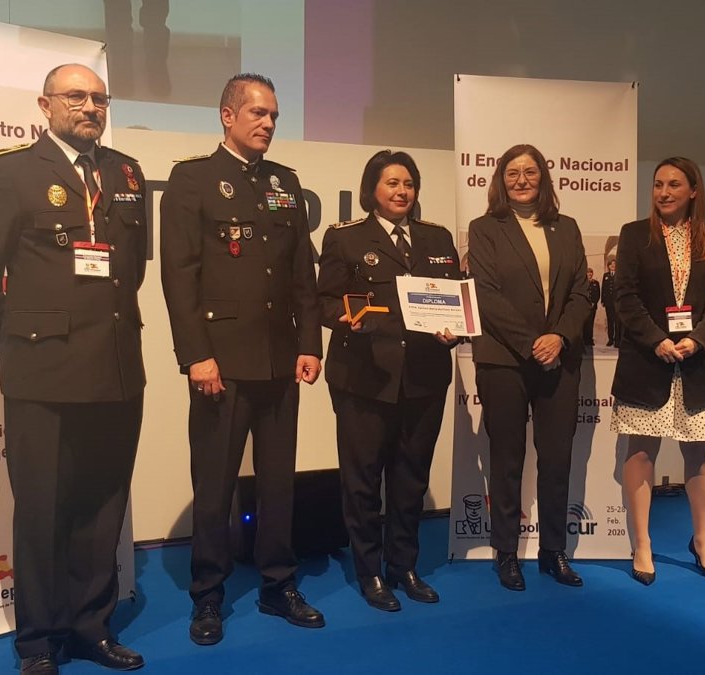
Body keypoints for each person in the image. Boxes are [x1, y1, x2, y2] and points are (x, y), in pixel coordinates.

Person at [0, 64, 148, 675]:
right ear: (45, 105)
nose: (90, 107)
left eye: (99, 98)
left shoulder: (126, 173)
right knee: (42, 510)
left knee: (103, 507)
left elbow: (133, 268)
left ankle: (91, 627)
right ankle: (37, 641)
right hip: (44, 374)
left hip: (116, 368)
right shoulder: (12, 171)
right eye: (76, 97)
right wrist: (19, 339)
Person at [159, 73, 324, 646]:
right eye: (258, 113)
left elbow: (302, 272)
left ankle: (279, 583)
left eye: (274, 115)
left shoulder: (285, 183)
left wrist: (309, 343)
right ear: (227, 116)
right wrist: (196, 356)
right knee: (215, 486)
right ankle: (208, 595)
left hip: (280, 360)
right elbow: (179, 276)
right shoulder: (193, 179)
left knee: (278, 484)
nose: (268, 123)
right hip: (221, 364)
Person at [317, 150, 460, 611]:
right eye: (392, 183)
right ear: (372, 190)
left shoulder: (437, 238)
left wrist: (455, 330)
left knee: (411, 478)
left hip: (424, 377)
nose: (402, 192)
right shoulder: (345, 238)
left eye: (409, 184)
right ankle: (370, 572)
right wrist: (345, 317)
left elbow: (455, 300)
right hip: (364, 377)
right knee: (362, 481)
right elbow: (323, 301)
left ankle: (404, 566)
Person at [466, 144, 592, 591]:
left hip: (559, 357)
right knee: (507, 459)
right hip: (504, 359)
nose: (521, 180)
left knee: (557, 459)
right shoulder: (484, 228)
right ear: (501, 180)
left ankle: (553, 551)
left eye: (530, 172)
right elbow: (484, 293)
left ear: (544, 178)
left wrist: (559, 338)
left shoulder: (566, 227)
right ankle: (506, 552)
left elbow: (581, 291)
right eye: (512, 173)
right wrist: (531, 343)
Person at [611, 156, 705, 586]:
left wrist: (699, 338)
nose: (663, 192)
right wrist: (656, 340)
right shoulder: (634, 235)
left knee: (700, 454)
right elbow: (624, 296)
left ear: (693, 191)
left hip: (698, 362)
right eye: (658, 184)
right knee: (641, 452)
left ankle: (702, 541)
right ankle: (642, 544)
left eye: (674, 185)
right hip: (648, 360)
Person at [603, 258, 619, 347]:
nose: (613, 266)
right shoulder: (606, 275)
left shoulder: (619, 275)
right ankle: (610, 339)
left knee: (617, 321)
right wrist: (603, 300)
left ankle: (617, 340)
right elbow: (604, 288)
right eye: (611, 264)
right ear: (608, 266)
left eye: (614, 264)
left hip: (617, 302)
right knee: (610, 321)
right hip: (608, 303)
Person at [584, 266, 600, 349]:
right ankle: (584, 339)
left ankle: (590, 339)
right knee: (584, 323)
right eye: (588, 272)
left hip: (593, 306)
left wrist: (594, 302)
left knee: (591, 323)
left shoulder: (595, 283)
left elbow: (598, 294)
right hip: (584, 306)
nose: (589, 274)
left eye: (590, 272)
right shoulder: (583, 283)